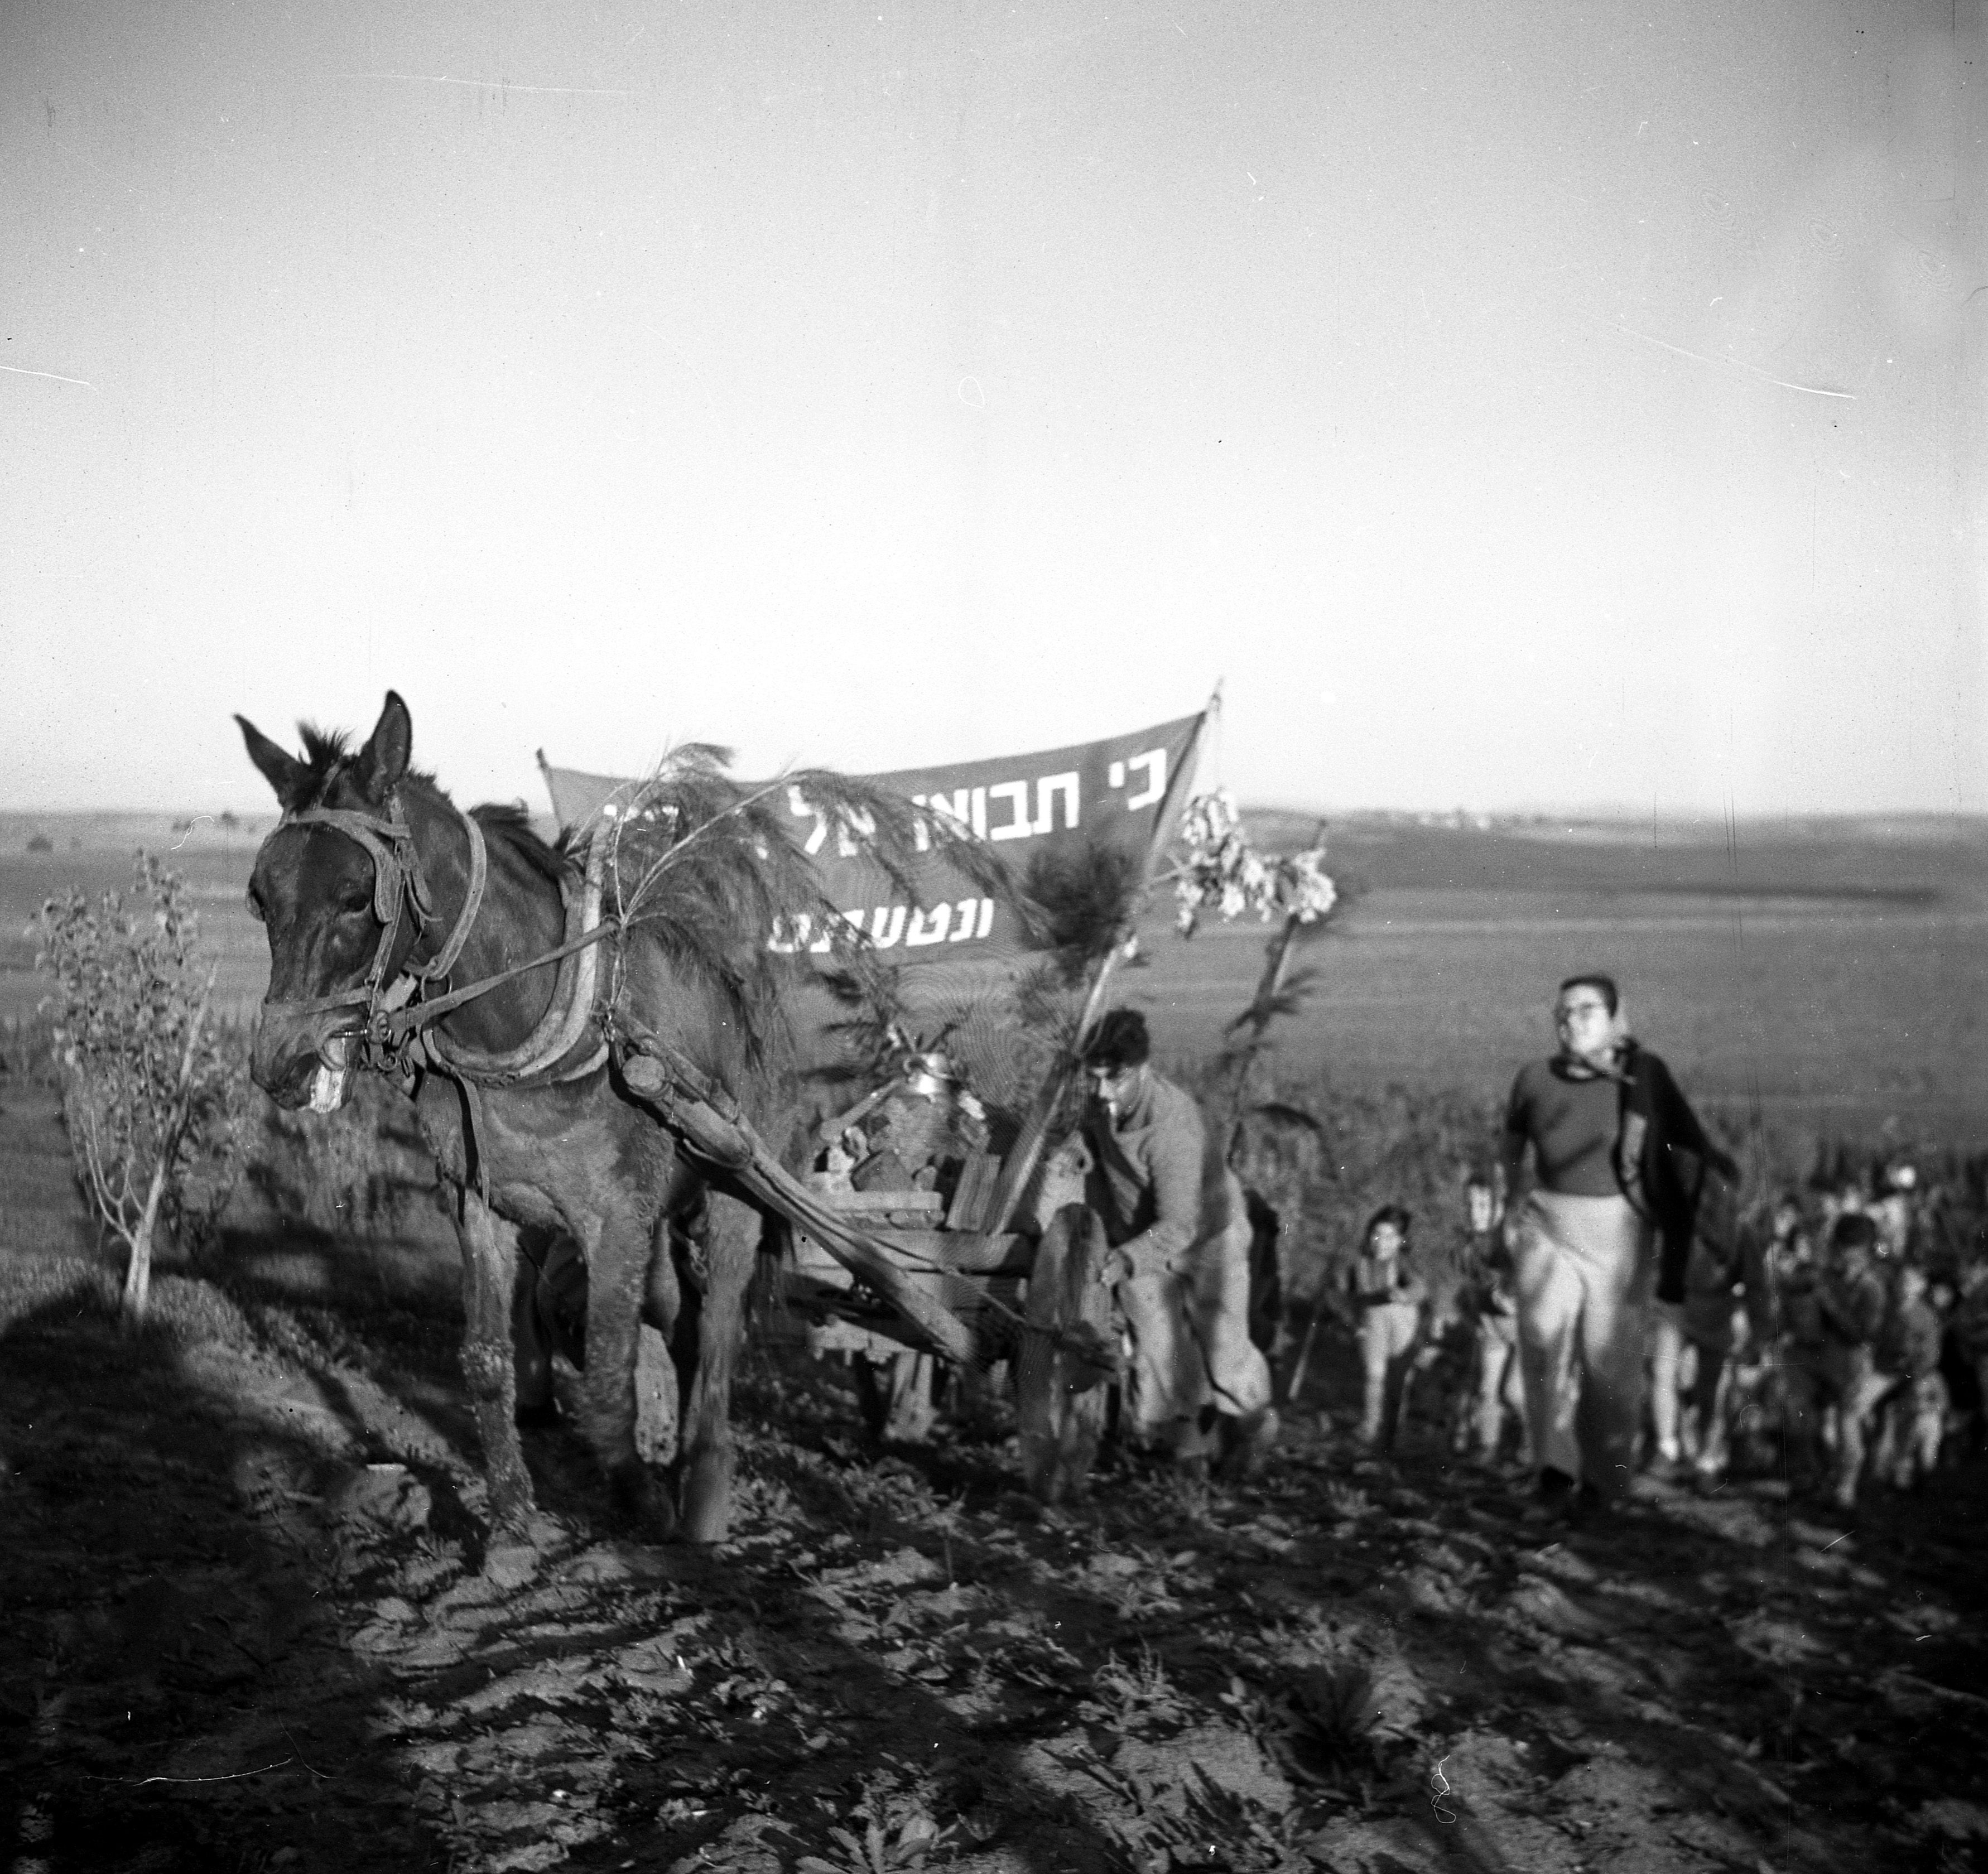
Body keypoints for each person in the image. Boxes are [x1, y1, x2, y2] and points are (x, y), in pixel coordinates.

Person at [1499, 972, 1735, 1517]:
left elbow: (1686, 1151)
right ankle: (1553, 1471)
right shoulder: (1532, 1078)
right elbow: (1509, 1152)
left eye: (1585, 1010)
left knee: (1608, 1363)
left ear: (1614, 1018)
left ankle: (1603, 1482)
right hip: (1545, 1220)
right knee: (1539, 1344)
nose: (1570, 1020)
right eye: (1562, 1011)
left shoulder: (1642, 1077)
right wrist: (1501, 1220)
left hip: (1618, 1231)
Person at [1080, 1009, 1277, 1474]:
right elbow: (1090, 1144)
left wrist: (1127, 1259)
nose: (1103, 1092)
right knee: (1155, 1343)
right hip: (1141, 1236)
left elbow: (1181, 1224)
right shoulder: (1100, 1101)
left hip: (1208, 1237)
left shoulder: (1171, 1125)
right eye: (1095, 1079)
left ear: (1142, 1068)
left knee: (1223, 1347)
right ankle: (1185, 1450)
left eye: (1115, 1080)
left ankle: (1252, 1428)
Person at [1646, 1189, 1778, 1486]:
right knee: (1663, 1373)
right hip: (1676, 1305)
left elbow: (1757, 1285)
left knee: (1713, 1389)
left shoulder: (1740, 1231)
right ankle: (1666, 1448)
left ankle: (1708, 1460)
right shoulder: (1675, 1220)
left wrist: (1759, 1332)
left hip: (1718, 1311)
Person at [1782, 1213, 1890, 1509]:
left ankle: (1846, 1487)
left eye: (1851, 1248)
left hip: (1851, 1362)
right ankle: (1812, 1478)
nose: (1844, 1254)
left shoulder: (1871, 1287)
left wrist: (1828, 1303)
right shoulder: (1825, 1275)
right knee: (1804, 1417)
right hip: (1819, 1358)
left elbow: (1862, 1333)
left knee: (1848, 1424)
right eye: (1841, 1247)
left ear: (1865, 1252)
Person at [1445, 1173, 1528, 1467]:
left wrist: (1509, 1295)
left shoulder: (1512, 1243)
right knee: (1487, 1389)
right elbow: (1468, 1286)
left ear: (1500, 1208)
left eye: (1483, 1205)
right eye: (1470, 1205)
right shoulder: (1466, 1247)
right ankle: (1487, 1447)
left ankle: (1532, 1448)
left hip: (1523, 1331)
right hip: (1491, 1329)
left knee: (1515, 1393)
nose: (1474, 1213)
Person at [1342, 1205, 1427, 1452]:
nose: (1382, 1243)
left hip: (1401, 1323)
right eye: (1377, 1235)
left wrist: (1404, 1295)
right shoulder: (1359, 1264)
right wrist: (1353, 1323)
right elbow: (1347, 1298)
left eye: (1390, 1238)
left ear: (1401, 1241)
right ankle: (1370, 1426)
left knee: (1398, 1379)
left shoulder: (1402, 1264)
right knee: (1374, 1374)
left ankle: (1392, 1432)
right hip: (1371, 1324)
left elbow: (1419, 1287)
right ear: (1369, 1235)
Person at [1875, 1261, 1946, 1489]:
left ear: (1921, 1287)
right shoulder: (1889, 1311)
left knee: (1912, 1422)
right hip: (1889, 1372)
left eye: (1911, 1283)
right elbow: (1879, 1341)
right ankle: (1884, 1469)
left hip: (1915, 1375)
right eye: (1901, 1282)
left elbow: (1931, 1353)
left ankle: (1909, 1472)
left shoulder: (1926, 1315)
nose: (1904, 1287)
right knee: (1883, 1419)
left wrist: (1915, 1373)